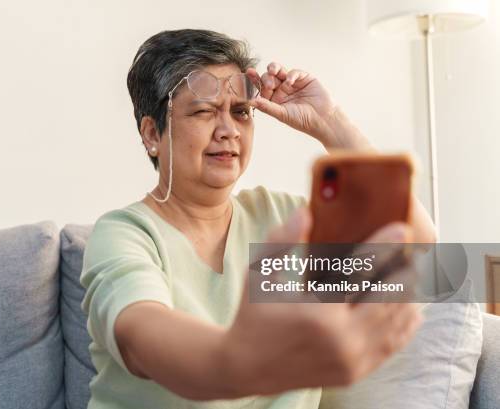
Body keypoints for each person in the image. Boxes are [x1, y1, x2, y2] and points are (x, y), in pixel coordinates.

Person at [80, 29, 436, 409]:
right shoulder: (125, 234)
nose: (229, 130)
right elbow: (141, 337)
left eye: (241, 112)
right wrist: (239, 360)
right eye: (203, 111)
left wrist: (330, 122)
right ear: (152, 133)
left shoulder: (285, 220)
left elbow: (422, 250)